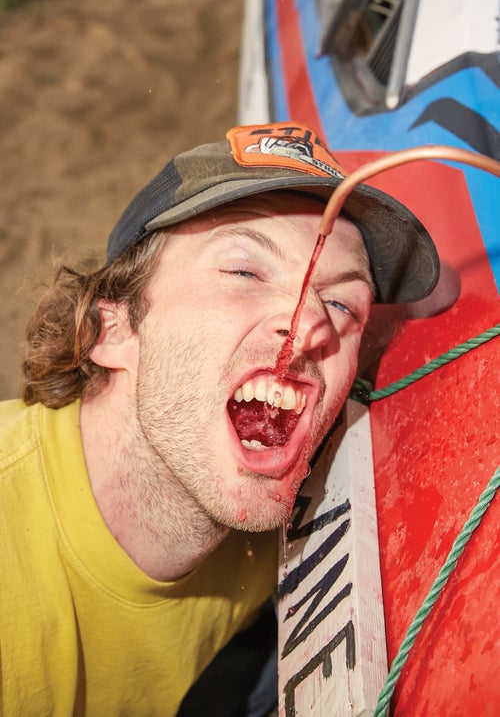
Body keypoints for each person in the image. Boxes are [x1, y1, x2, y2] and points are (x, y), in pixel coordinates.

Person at [0, 121, 439, 717]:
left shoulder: (253, 485)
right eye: (245, 272)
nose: (309, 325)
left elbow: (441, 294)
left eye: (341, 302)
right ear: (112, 329)